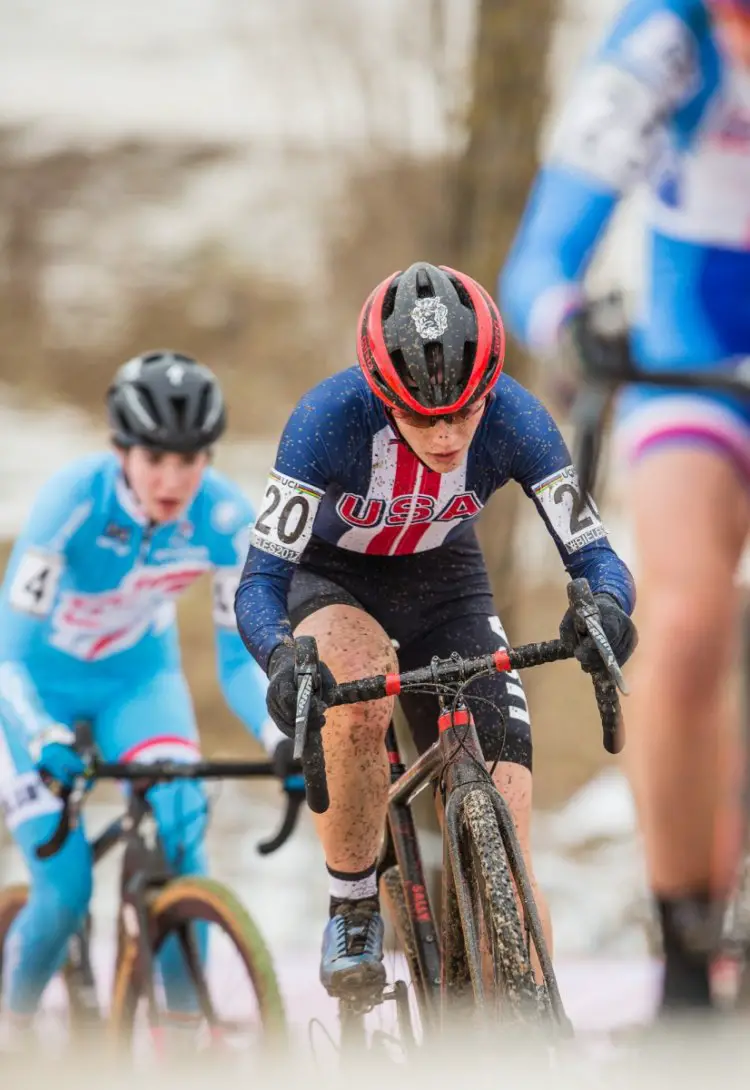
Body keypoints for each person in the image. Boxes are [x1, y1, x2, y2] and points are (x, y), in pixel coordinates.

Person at [235, 261, 637, 1000]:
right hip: (332, 579)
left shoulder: (517, 417)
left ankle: (531, 1028)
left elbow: (597, 554)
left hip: (445, 585)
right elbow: (258, 584)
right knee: (355, 687)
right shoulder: (326, 419)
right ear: (382, 397)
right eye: (424, 417)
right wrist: (282, 658)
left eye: (466, 410)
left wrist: (604, 608)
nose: (450, 434)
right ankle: (353, 902)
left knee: (509, 838)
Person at [500, 0, 750, 1017]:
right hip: (689, 360)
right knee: (687, 623)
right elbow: (540, 256)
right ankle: (687, 936)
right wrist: (570, 321)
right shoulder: (665, 41)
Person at [0, 350, 286, 1040]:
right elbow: (8, 655)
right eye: (155, 457)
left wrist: (284, 736)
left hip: (138, 683)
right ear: (121, 450)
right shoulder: (72, 501)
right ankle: (11, 1032)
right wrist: (42, 738)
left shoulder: (223, 518)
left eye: (191, 461)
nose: (172, 479)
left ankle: (185, 1042)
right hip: (34, 689)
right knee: (65, 893)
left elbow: (238, 660)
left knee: (183, 820)